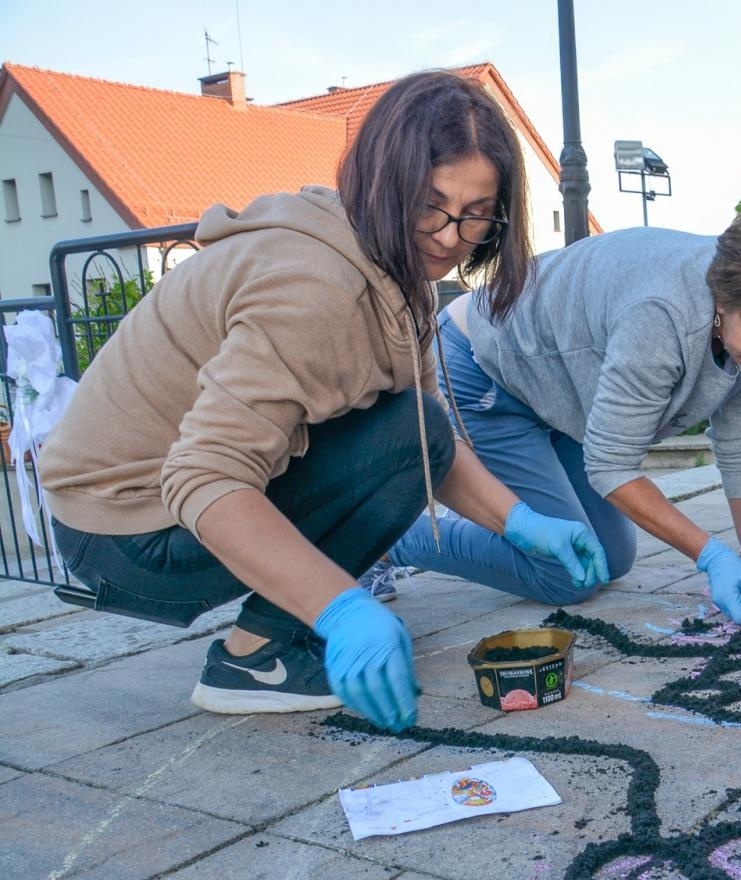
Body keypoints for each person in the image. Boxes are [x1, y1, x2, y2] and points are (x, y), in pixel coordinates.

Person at [39, 71, 607, 734]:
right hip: (120, 533)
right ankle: (256, 659)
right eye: (431, 202)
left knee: (412, 427)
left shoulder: (398, 272)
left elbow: (427, 443)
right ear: (381, 177)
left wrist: (522, 522)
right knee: (403, 436)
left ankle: (282, 628)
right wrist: (339, 606)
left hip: (156, 509)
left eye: (478, 213)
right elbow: (204, 478)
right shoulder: (317, 289)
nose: (451, 236)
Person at [388, 203, 741, 627]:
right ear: (724, 300)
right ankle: (398, 539)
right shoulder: (661, 315)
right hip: (486, 370)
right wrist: (710, 555)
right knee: (567, 576)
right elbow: (611, 465)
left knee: (608, 557)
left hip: (562, 388)